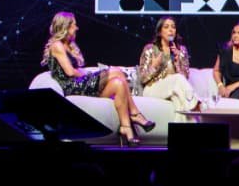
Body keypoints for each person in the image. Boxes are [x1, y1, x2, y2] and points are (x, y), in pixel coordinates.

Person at [41, 11, 155, 145]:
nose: (77, 28)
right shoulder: (57, 45)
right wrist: (90, 75)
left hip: (79, 84)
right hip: (72, 87)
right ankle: (135, 114)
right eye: (74, 25)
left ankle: (126, 129)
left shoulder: (70, 46)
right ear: (65, 26)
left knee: (118, 83)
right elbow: (70, 72)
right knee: (117, 72)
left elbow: (76, 71)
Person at [136, 16, 201, 120]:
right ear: (160, 32)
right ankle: (196, 104)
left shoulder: (181, 50)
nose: (171, 30)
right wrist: (154, 66)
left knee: (180, 103)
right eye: (166, 27)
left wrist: (178, 61)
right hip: (153, 88)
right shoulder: (150, 49)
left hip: (174, 89)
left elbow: (185, 77)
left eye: (173, 27)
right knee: (177, 79)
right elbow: (142, 78)